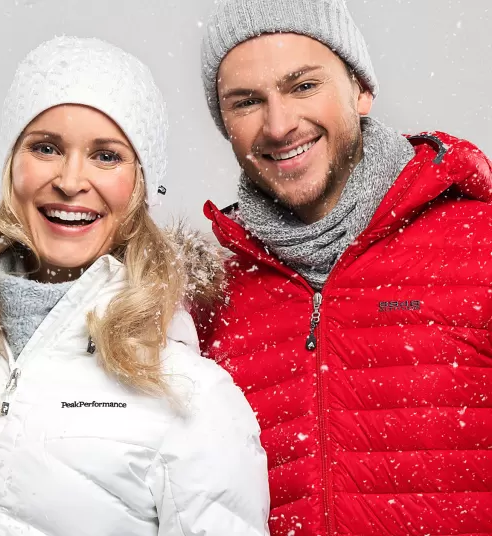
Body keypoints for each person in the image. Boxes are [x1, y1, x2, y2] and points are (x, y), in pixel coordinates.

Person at [0, 36, 269, 535]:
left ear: (141, 185)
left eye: (106, 156)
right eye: (45, 148)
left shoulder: (188, 394)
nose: (70, 180)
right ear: (12, 166)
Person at [194, 1, 492, 535]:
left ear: (360, 89)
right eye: (247, 102)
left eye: (303, 86)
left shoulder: (480, 246)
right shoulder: (207, 298)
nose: (279, 125)